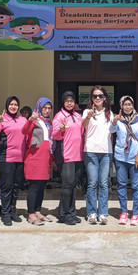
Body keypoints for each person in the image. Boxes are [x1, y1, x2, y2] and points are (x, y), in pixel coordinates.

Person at [0, 96, 28, 226]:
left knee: (16, 187)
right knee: (7, 187)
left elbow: (28, 135)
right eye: (11, 104)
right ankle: (5, 214)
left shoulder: (22, 120)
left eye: (15, 104)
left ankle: (12, 211)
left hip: (20, 158)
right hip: (6, 158)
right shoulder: (2, 119)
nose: (13, 106)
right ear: (7, 106)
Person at [110, 96, 138, 226]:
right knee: (121, 185)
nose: (127, 107)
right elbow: (111, 131)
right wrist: (114, 121)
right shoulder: (118, 119)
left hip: (135, 156)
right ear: (121, 106)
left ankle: (135, 214)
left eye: (129, 104)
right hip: (121, 156)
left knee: (136, 186)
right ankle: (124, 212)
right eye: (125, 104)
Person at [52, 91, 84, 225]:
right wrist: (61, 130)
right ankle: (64, 214)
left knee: (73, 185)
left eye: (71, 100)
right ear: (63, 102)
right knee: (67, 185)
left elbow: (82, 132)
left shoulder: (78, 116)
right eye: (67, 101)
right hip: (66, 156)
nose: (69, 103)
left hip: (78, 156)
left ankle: (71, 212)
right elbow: (55, 135)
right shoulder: (59, 116)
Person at [82, 86, 113, 225]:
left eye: (100, 96)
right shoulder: (86, 112)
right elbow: (83, 125)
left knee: (104, 183)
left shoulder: (110, 113)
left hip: (106, 152)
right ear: (91, 98)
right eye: (95, 96)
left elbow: (112, 132)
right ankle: (91, 212)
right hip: (91, 151)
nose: (98, 98)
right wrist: (89, 116)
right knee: (92, 183)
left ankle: (103, 213)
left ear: (105, 98)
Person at [23, 97, 54, 225]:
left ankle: (38, 211)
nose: (47, 111)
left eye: (49, 108)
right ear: (39, 108)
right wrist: (30, 120)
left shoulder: (49, 123)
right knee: (34, 186)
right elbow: (24, 131)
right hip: (35, 157)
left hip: (45, 157)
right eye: (44, 108)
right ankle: (31, 214)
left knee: (41, 186)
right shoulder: (34, 120)